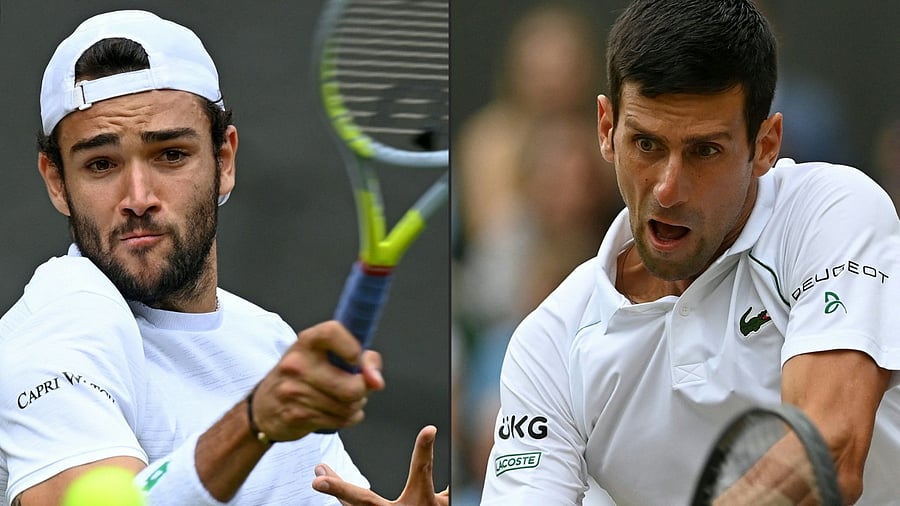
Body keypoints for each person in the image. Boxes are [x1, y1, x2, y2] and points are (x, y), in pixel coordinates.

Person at [0, 10, 447, 506]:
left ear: (224, 160)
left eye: (170, 154)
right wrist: (254, 421)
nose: (139, 195)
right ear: (57, 183)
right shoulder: (57, 327)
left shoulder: (268, 342)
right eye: (101, 164)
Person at [479, 0, 900, 504]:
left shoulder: (830, 211)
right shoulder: (547, 346)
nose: (668, 189)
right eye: (647, 145)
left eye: (704, 151)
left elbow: (827, 449)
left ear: (765, 145)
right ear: (606, 128)